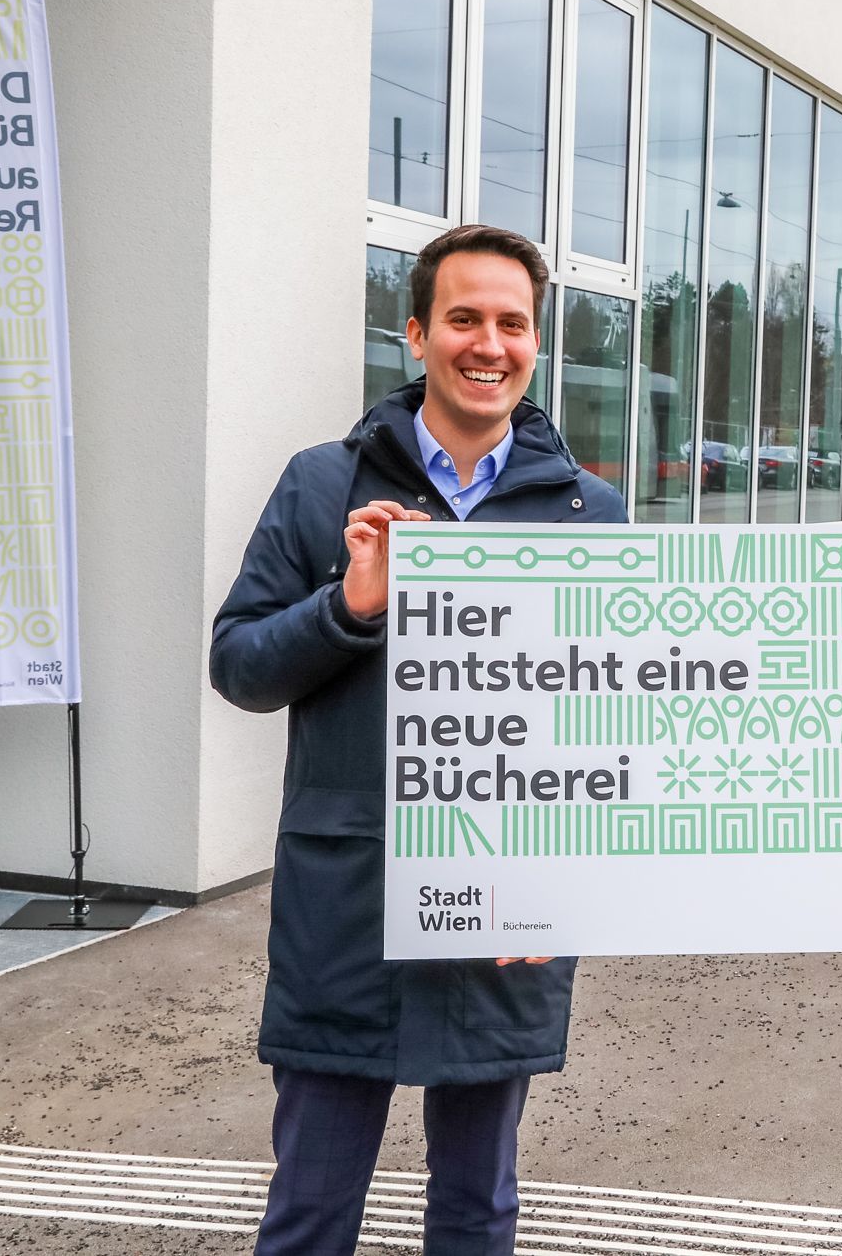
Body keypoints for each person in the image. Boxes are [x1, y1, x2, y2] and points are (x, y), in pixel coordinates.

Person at [211, 223, 625, 1255]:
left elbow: (615, 724)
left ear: (536, 343)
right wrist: (349, 605)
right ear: (415, 334)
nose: (488, 344)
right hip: (346, 899)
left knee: (477, 1208)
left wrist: (560, 884)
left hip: (503, 908)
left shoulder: (588, 514)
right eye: (463, 319)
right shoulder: (321, 485)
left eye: (511, 323)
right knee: (309, 1210)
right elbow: (239, 667)